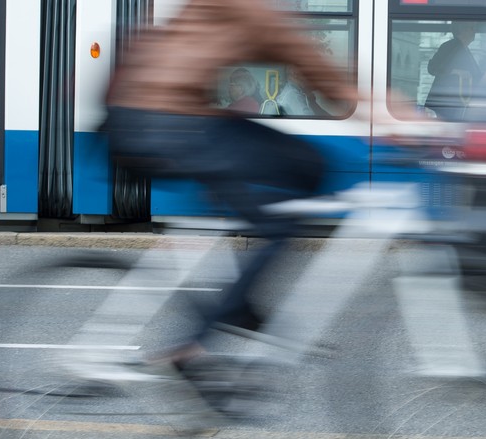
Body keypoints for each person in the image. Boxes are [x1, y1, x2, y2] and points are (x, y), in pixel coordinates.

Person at [105, 0, 361, 371]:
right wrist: (368, 101)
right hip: (166, 122)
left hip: (160, 119)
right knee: (305, 171)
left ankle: (233, 308)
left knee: (293, 165)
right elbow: (289, 43)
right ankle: (205, 335)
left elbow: (275, 44)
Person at [424, 21, 482, 120]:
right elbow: (433, 68)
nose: (474, 32)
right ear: (462, 31)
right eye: (472, 28)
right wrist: (456, 72)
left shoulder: (464, 49)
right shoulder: (449, 46)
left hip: (457, 104)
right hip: (447, 104)